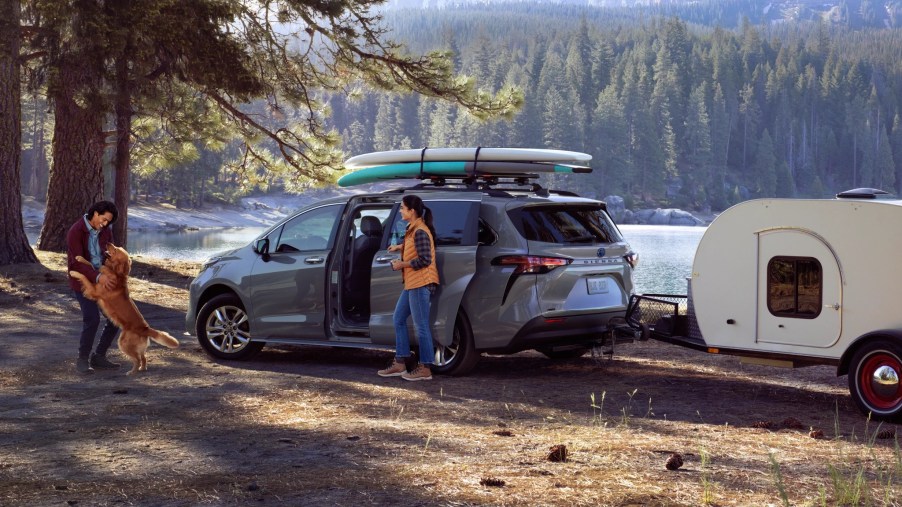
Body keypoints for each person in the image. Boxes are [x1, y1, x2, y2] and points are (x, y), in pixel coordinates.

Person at [377, 195, 440, 381]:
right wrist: (399, 247)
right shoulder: (413, 229)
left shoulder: (420, 230)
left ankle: (425, 367)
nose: (401, 212)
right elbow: (414, 245)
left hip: (421, 283)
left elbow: (425, 260)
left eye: (403, 208)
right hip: (413, 283)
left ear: (412, 211)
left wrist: (401, 264)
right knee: (398, 319)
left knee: (421, 327)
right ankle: (400, 363)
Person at [67, 200, 121, 373]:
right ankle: (82, 360)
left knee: (115, 318)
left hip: (103, 281)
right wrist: (98, 276)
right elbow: (76, 264)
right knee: (92, 319)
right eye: (104, 219)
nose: (105, 224)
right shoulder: (75, 231)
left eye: (108, 222)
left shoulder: (106, 231)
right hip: (83, 282)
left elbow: (110, 254)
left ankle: (99, 357)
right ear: (95, 213)